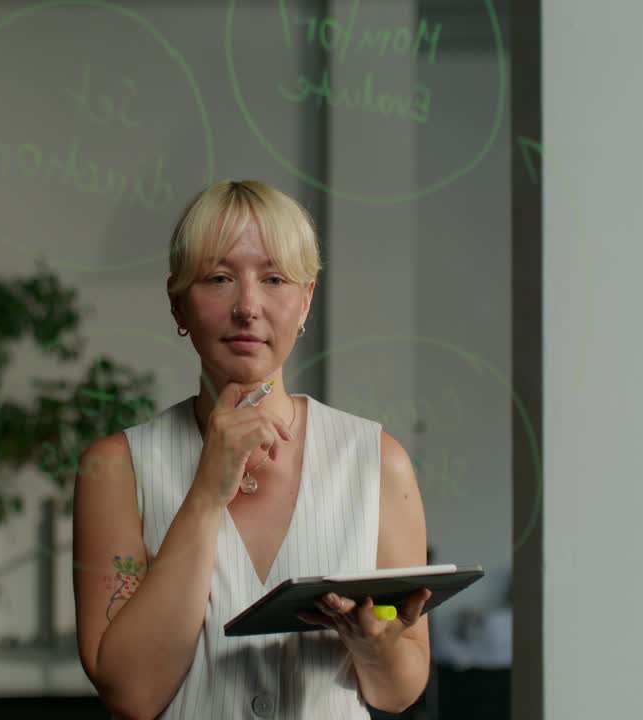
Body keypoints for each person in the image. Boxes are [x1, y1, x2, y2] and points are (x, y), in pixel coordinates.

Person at [73, 180, 432, 719]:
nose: (248, 306)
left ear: (306, 299)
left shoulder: (378, 461)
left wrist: (372, 644)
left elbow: (401, 689)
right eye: (218, 278)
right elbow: (132, 694)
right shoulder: (115, 469)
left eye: (274, 279)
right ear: (178, 304)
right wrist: (205, 494)